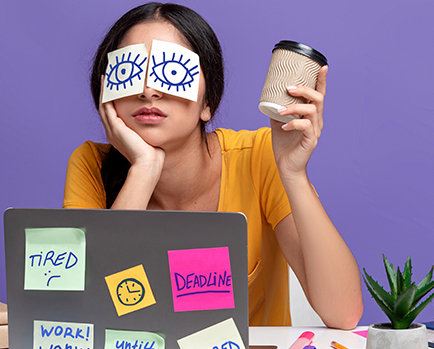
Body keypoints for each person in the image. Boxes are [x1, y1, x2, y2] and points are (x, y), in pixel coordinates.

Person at [63, 2, 362, 329]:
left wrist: (293, 174)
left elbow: (343, 313)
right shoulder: (91, 164)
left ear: (207, 103)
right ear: (108, 93)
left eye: (172, 72)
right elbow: (87, 314)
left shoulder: (257, 157)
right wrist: (143, 169)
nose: (149, 91)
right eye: (130, 73)